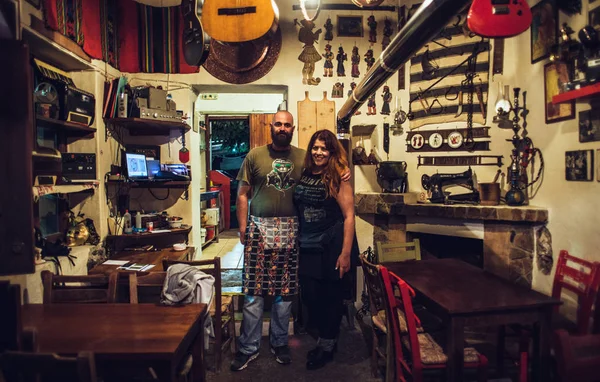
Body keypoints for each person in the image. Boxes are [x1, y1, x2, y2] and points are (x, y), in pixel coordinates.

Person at [232, 110, 304, 371]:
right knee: (253, 293)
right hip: (258, 228)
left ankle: (279, 343)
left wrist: (343, 173)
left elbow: (324, 175)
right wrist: (243, 228)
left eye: (287, 125)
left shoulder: (303, 157)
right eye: (278, 124)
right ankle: (248, 348)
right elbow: (242, 194)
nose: (282, 128)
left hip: (291, 230)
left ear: (292, 129)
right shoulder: (254, 156)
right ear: (271, 127)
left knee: (284, 294)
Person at [293, 129, 358, 370]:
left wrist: (345, 253)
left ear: (331, 152)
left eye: (324, 148)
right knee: (311, 297)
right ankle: (325, 340)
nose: (319, 152)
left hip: (331, 246)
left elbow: (349, 216)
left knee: (330, 298)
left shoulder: (338, 176)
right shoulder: (306, 173)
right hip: (307, 245)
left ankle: (327, 347)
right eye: (316, 147)